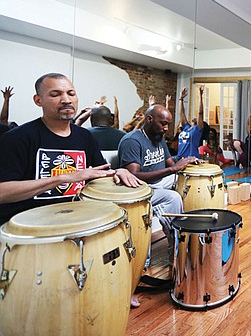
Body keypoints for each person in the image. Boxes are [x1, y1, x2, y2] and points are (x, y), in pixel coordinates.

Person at [0, 73, 141, 226]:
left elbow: (100, 173)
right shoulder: (18, 137)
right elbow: (3, 192)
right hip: (32, 230)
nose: (66, 100)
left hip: (79, 222)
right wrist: (63, 177)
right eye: (55, 94)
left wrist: (117, 172)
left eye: (71, 93)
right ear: (38, 100)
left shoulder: (85, 136)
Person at [117, 104, 198, 268]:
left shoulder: (157, 137)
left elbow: (169, 163)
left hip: (157, 182)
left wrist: (186, 161)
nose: (166, 128)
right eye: (163, 124)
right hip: (139, 188)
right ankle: (174, 247)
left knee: (189, 179)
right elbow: (133, 176)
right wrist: (172, 169)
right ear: (149, 119)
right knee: (173, 198)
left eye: (168, 124)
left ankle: (188, 232)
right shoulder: (132, 141)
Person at [176, 86, 205, 158]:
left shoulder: (197, 129)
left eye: (196, 118)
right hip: (180, 158)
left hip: (191, 158)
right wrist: (181, 99)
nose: (194, 118)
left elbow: (200, 113)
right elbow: (181, 113)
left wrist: (200, 96)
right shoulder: (186, 127)